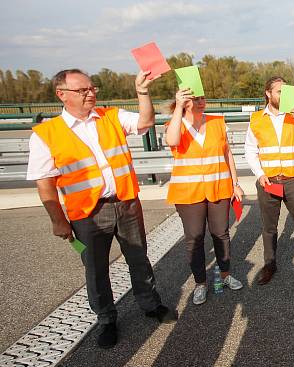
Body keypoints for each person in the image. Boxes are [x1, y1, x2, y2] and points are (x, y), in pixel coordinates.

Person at [26, 69, 175, 349]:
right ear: (62, 95)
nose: (91, 93)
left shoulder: (111, 116)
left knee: (139, 258)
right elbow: (45, 184)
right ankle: (106, 319)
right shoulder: (46, 134)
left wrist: (142, 92)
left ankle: (150, 304)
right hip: (87, 214)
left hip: (126, 203)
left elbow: (145, 121)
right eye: (82, 90)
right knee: (96, 270)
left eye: (93, 88)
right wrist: (58, 221)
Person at [165, 88, 245, 305]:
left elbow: (227, 153)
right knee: (195, 237)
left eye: (203, 98)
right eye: (195, 99)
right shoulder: (176, 123)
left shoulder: (217, 121)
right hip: (188, 193)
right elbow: (171, 141)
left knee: (221, 233)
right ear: (185, 101)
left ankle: (226, 275)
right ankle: (200, 283)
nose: (201, 102)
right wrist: (179, 108)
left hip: (219, 187)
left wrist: (235, 183)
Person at [245, 76, 294, 285]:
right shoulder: (256, 119)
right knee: (269, 227)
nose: (283, 95)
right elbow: (250, 150)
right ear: (268, 94)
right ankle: (269, 264)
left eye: (285, 91)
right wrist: (259, 173)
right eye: (279, 91)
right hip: (268, 181)